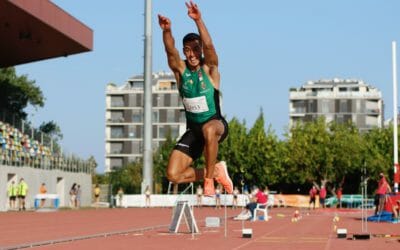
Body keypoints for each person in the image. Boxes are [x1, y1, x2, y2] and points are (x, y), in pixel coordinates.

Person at [158, 1, 232, 196]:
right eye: (188, 50)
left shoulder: (210, 69)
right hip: (194, 131)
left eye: (195, 49)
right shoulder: (181, 73)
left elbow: (209, 45)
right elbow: (170, 52)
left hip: (216, 126)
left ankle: (209, 182)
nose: (192, 54)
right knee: (173, 175)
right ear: (184, 52)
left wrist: (198, 20)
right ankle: (214, 171)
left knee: (209, 129)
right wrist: (167, 31)